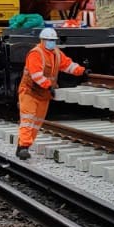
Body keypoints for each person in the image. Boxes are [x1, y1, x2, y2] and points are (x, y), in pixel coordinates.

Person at [17, 26, 84, 159]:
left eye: (53, 40)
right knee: (28, 120)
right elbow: (36, 75)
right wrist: (49, 86)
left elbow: (68, 65)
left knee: (36, 123)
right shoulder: (36, 53)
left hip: (44, 95)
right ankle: (23, 147)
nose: (51, 42)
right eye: (49, 40)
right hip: (29, 92)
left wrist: (82, 71)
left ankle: (24, 146)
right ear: (42, 40)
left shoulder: (56, 54)